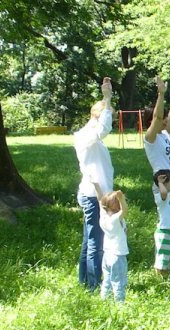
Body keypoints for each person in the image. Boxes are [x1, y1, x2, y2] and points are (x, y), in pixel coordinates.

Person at [74, 77, 114, 291]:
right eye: (108, 114)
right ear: (97, 116)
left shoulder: (92, 138)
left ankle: (85, 281)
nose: (112, 120)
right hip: (92, 195)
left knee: (90, 239)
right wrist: (107, 98)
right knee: (95, 242)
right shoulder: (86, 136)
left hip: (98, 194)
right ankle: (92, 284)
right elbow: (103, 128)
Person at [144, 76, 170, 255]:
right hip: (164, 185)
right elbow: (158, 116)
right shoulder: (150, 138)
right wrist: (161, 94)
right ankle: (162, 259)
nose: (166, 121)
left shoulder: (164, 133)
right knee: (167, 225)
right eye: (161, 120)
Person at [93, 184, 129, 302]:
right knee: (119, 282)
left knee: (107, 280)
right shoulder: (115, 219)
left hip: (107, 255)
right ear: (117, 206)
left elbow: (99, 200)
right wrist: (121, 199)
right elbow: (125, 210)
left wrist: (97, 186)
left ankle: (104, 300)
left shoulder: (103, 218)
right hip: (117, 255)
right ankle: (120, 304)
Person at [153, 169, 170, 275]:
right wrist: (160, 182)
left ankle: (164, 272)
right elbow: (163, 190)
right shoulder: (160, 196)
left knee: (167, 254)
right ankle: (161, 275)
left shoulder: (169, 194)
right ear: (164, 183)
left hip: (169, 230)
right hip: (164, 231)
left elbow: (166, 188)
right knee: (162, 256)